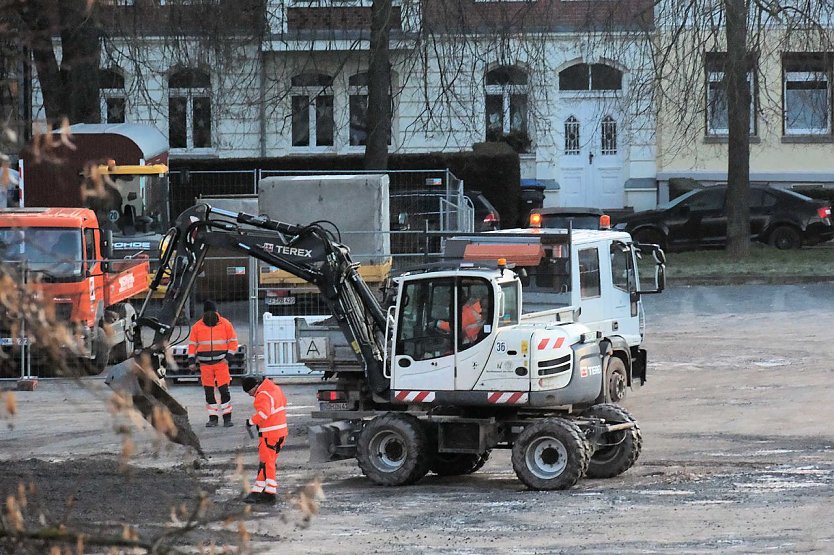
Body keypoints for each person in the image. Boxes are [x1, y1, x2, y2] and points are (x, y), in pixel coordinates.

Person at [187, 300, 239, 427]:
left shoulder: (225, 324)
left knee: (224, 391)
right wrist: (191, 361)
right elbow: (192, 346)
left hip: (220, 364)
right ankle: (213, 418)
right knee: (209, 392)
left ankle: (227, 418)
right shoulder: (197, 327)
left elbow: (233, 343)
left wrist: (228, 358)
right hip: (206, 366)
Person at [241, 375, 288, 505]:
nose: (251, 395)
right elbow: (283, 403)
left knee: (268, 464)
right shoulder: (275, 389)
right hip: (281, 432)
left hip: (269, 434)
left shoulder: (261, 396)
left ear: (254, 387)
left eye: (250, 392)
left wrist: (250, 422)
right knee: (266, 462)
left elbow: (263, 414)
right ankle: (257, 491)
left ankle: (270, 494)